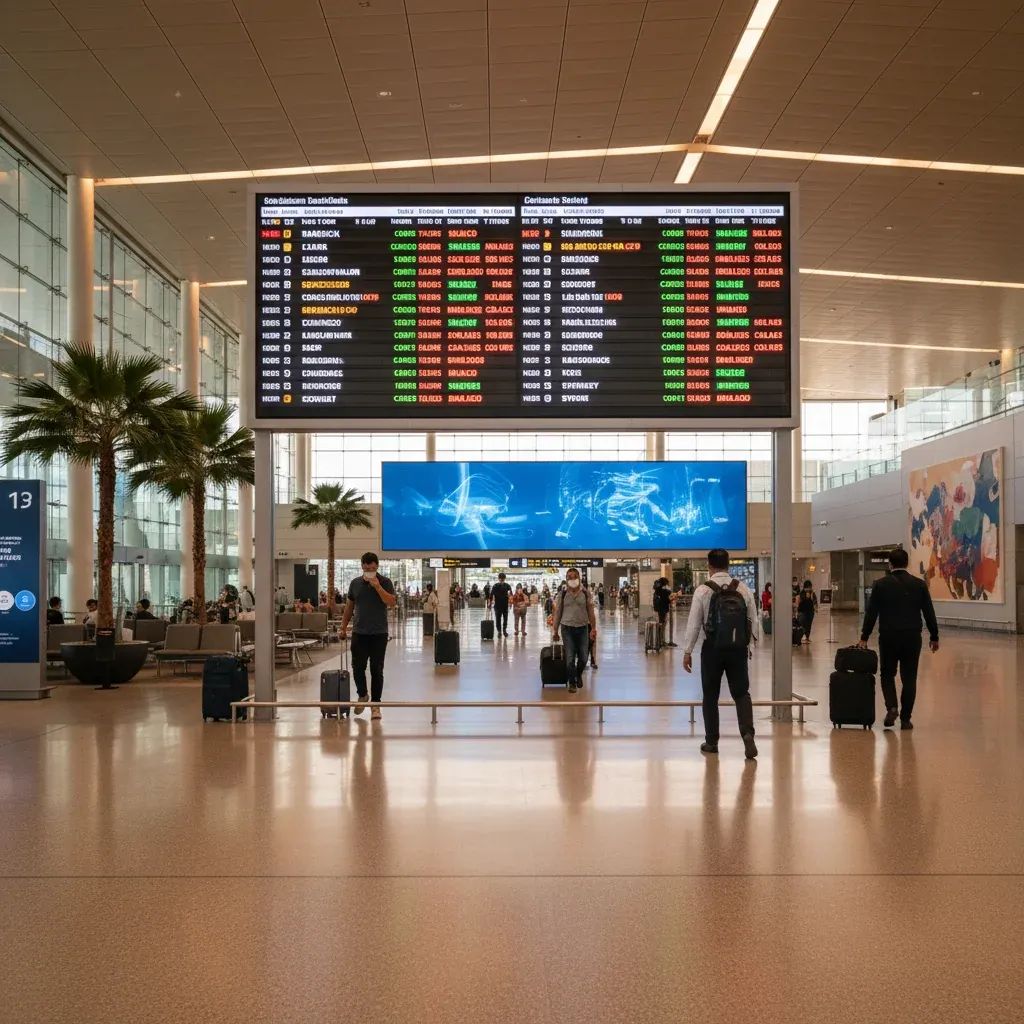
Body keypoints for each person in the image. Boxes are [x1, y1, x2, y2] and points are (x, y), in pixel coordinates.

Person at [682, 548, 759, 760]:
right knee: (742, 693)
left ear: (709, 566)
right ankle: (747, 734)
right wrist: (749, 648)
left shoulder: (703, 590)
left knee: (710, 695)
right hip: (737, 649)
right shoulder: (742, 588)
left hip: (712, 649)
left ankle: (711, 741)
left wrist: (687, 651)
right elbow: (753, 620)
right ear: (729, 564)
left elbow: (694, 624)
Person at [858, 548, 939, 730]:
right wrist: (934, 636)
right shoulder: (919, 585)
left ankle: (892, 707)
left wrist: (864, 636)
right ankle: (906, 719)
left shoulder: (880, 584)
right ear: (907, 563)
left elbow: (871, 613)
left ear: (890, 564)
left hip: (888, 636)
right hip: (912, 636)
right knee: (909, 677)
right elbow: (928, 612)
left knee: (887, 674)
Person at [340, 552, 397, 720]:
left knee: (376, 669)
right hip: (359, 632)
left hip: (379, 633)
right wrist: (343, 627)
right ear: (362, 567)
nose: (370, 571)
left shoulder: (385, 582)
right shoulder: (355, 584)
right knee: (357, 667)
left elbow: (391, 602)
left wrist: (378, 587)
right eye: (367, 568)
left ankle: (376, 705)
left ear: (377, 566)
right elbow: (349, 607)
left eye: (373, 568)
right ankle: (363, 695)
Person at [551, 567, 597, 693]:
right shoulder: (562, 594)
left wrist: (593, 629)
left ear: (579, 578)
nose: (572, 579)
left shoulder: (586, 594)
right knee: (570, 658)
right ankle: (572, 682)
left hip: (583, 628)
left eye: (574, 577)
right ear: (566, 580)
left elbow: (591, 612)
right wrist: (555, 631)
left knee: (583, 657)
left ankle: (578, 674)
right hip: (567, 629)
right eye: (569, 577)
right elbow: (558, 613)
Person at [491, 572, 512, 637]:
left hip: (504, 605)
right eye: (501, 579)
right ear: (499, 578)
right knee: (498, 619)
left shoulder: (507, 586)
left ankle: (503, 631)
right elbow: (491, 595)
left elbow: (511, 595)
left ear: (504, 578)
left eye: (502, 579)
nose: (501, 580)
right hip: (498, 605)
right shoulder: (496, 586)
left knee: (504, 618)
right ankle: (500, 631)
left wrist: (510, 603)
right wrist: (490, 602)